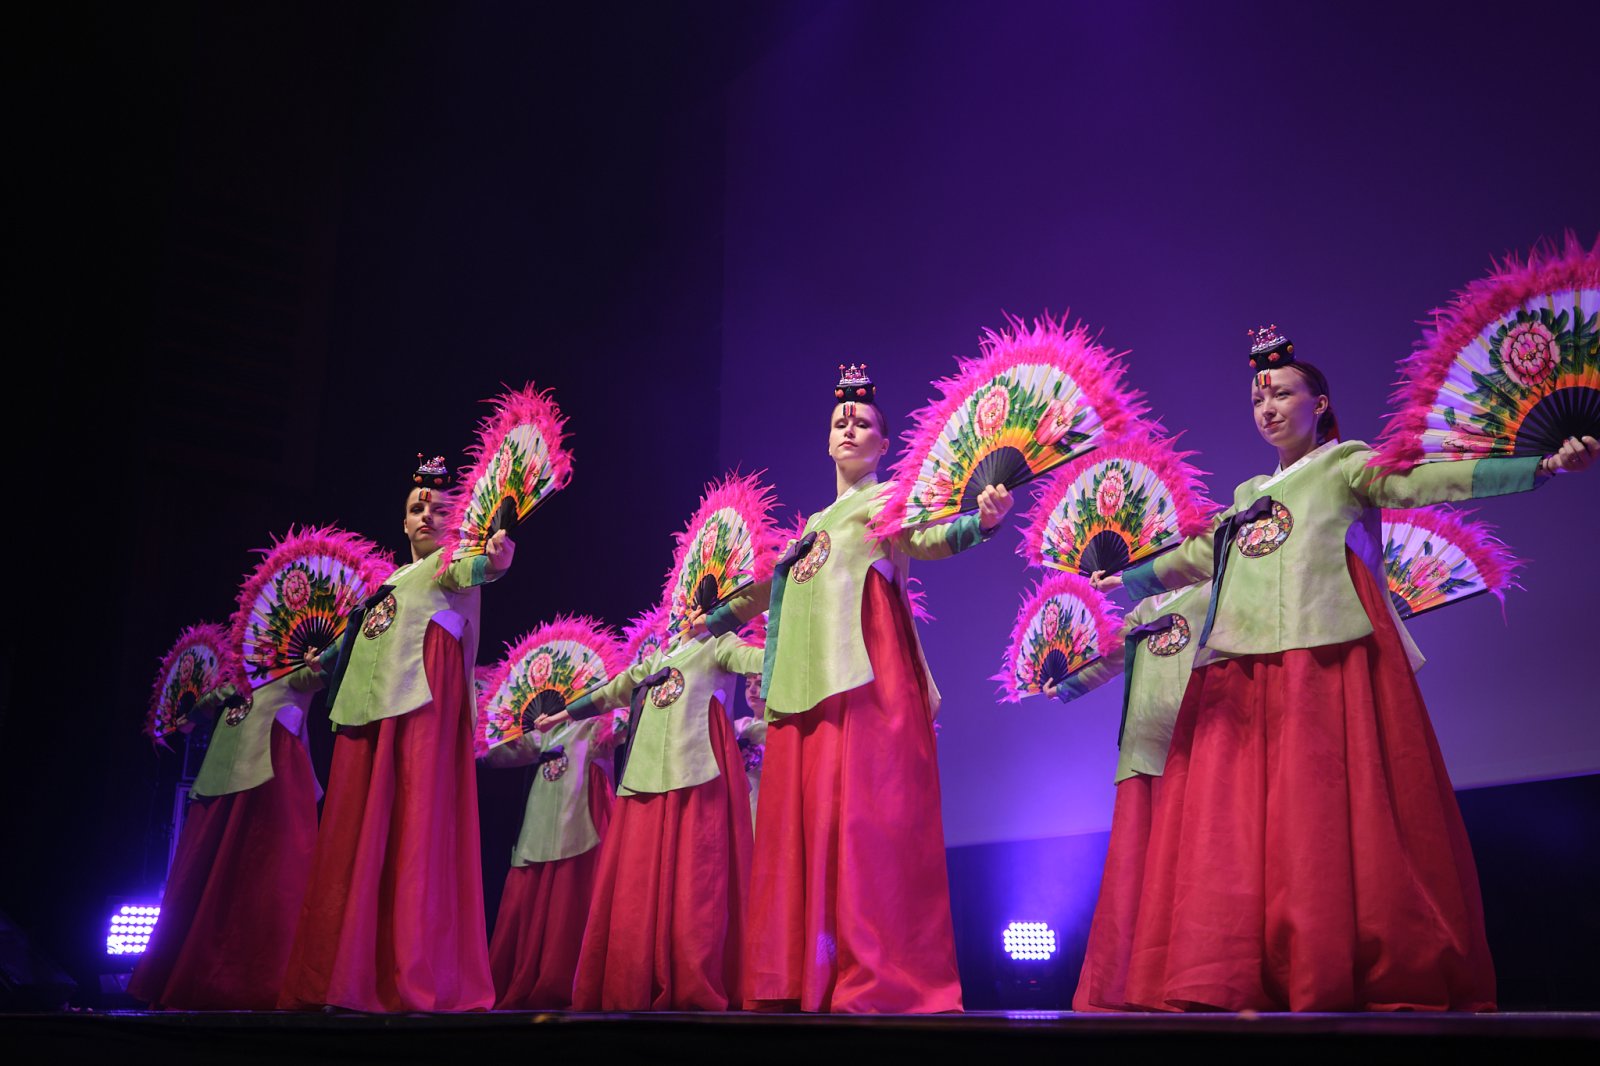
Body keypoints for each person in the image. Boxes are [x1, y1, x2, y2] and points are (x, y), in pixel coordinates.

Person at [1088, 329, 1598, 1012]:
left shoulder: (1346, 466)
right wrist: (1115, 576)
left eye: (1280, 392)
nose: (1266, 406)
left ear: (1319, 402)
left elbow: (1425, 478)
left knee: (1320, 812)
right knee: (1243, 823)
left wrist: (1539, 466)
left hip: (1322, 657)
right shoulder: (1244, 498)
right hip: (1242, 672)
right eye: (1256, 398)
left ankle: (1332, 962)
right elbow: (1192, 557)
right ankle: (1255, 970)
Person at [698, 364, 1013, 1014]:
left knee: (866, 821)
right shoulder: (809, 525)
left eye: (863, 421)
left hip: (869, 684)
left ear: (883, 443)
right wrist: (716, 614)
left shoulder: (890, 497)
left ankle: (874, 972)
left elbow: (925, 538)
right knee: (811, 826)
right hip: (808, 691)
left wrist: (979, 522)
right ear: (827, 439)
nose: (849, 425)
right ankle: (802, 973)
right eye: (840, 419)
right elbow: (761, 589)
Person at [278, 455, 515, 1012]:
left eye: (438, 508)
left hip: (419, 716)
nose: (427, 514)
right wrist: (317, 659)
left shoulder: (451, 563)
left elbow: (477, 570)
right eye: (416, 508)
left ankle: (406, 972)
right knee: (356, 840)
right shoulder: (383, 586)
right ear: (403, 523)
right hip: (369, 722)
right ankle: (346, 974)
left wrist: (498, 558)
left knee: (413, 831)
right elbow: (346, 645)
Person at [536, 619, 763, 1010]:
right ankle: (634, 979)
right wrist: (564, 715)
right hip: (645, 779)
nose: (686, 608)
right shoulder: (657, 657)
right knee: (638, 882)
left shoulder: (718, 644)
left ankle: (692, 983)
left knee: (697, 882)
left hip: (696, 770)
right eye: (682, 601)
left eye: (694, 599)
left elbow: (755, 659)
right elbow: (615, 689)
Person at [1040, 580, 1211, 1012]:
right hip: (1143, 741)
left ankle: (1192, 974)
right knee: (1143, 864)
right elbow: (1110, 657)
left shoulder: (1215, 588)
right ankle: (1140, 981)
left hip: (1194, 735)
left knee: (1192, 859)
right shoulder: (1143, 611)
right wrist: (1065, 686)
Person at [129, 668, 323, 1009]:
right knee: (204, 871)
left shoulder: (296, 658)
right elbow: (204, 704)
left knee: (269, 874)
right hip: (223, 766)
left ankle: (269, 981)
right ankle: (187, 976)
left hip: (272, 766)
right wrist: (194, 711)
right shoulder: (235, 666)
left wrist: (318, 660)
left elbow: (320, 673)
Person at [482, 711, 622, 1009]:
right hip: (542, 814)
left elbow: (626, 722)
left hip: (583, 811)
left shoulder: (600, 720)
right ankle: (527, 975)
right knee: (532, 885)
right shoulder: (546, 727)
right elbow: (500, 753)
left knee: (576, 891)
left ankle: (572, 979)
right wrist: (495, 724)